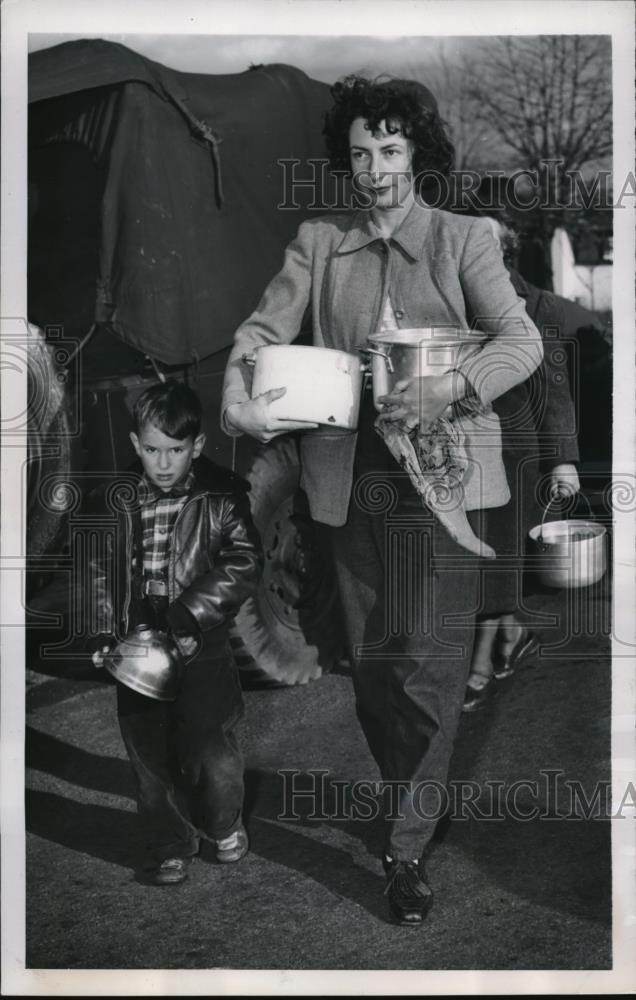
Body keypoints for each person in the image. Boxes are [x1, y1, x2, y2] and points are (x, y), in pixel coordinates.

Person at [221, 75, 544, 925]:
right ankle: (418, 794)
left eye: (391, 150)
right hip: (349, 490)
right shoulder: (320, 243)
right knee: (372, 676)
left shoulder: (463, 238)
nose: (374, 169)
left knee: (429, 673)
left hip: (445, 494)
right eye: (360, 153)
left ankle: (404, 848)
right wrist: (240, 397)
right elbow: (258, 335)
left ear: (418, 155)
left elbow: (523, 340)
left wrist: (453, 389)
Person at [87, 380, 263, 885]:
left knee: (211, 745)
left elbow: (244, 560)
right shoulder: (118, 498)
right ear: (134, 444)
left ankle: (224, 821)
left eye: (176, 451)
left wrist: (188, 612)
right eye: (152, 450)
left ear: (198, 447)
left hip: (199, 636)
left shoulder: (222, 496)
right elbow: (98, 568)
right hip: (137, 638)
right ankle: (169, 842)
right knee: (148, 750)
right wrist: (104, 630)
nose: (163, 463)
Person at [462, 216, 581, 711]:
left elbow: (555, 391)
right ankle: (513, 632)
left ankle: (480, 662)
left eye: (482, 245)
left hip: (515, 452)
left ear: (504, 252)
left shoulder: (536, 306)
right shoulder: (453, 297)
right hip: (459, 449)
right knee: (481, 554)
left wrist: (564, 461)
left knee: (497, 553)